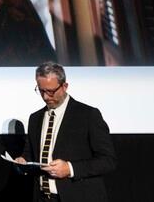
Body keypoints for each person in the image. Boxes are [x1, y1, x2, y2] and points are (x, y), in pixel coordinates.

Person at [15, 62, 116, 201]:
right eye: (41, 90)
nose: (46, 97)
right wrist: (23, 161)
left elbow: (108, 161)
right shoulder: (35, 118)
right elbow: (31, 154)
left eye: (50, 91)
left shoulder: (88, 115)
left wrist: (70, 169)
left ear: (64, 86)